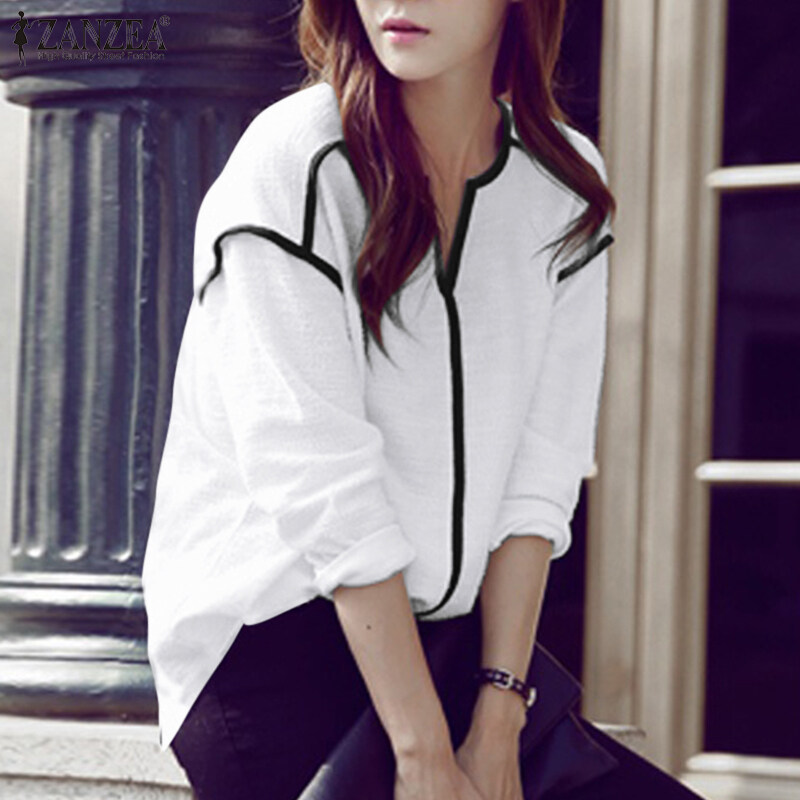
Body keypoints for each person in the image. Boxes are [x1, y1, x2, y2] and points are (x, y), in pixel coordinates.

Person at [141, 1, 707, 798]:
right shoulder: (296, 158)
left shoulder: (565, 187)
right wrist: (422, 752)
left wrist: (500, 717)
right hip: (274, 644)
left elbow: (539, 481)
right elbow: (320, 484)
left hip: (454, 647)